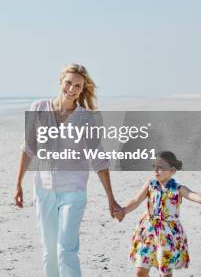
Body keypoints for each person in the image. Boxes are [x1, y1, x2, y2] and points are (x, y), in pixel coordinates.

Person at [14, 63, 123, 277]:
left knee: (66, 250)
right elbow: (27, 148)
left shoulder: (86, 118)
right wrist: (18, 184)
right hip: (43, 190)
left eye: (78, 86)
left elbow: (99, 158)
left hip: (73, 191)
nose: (72, 89)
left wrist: (111, 198)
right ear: (60, 81)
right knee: (49, 252)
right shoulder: (38, 108)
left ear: (83, 90)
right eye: (69, 83)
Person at [119, 151, 201, 277]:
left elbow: (200, 198)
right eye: (154, 166)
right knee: (140, 271)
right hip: (148, 231)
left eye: (160, 167)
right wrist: (123, 210)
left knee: (165, 273)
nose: (156, 169)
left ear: (172, 170)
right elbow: (135, 201)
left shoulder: (178, 189)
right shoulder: (150, 185)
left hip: (168, 234)